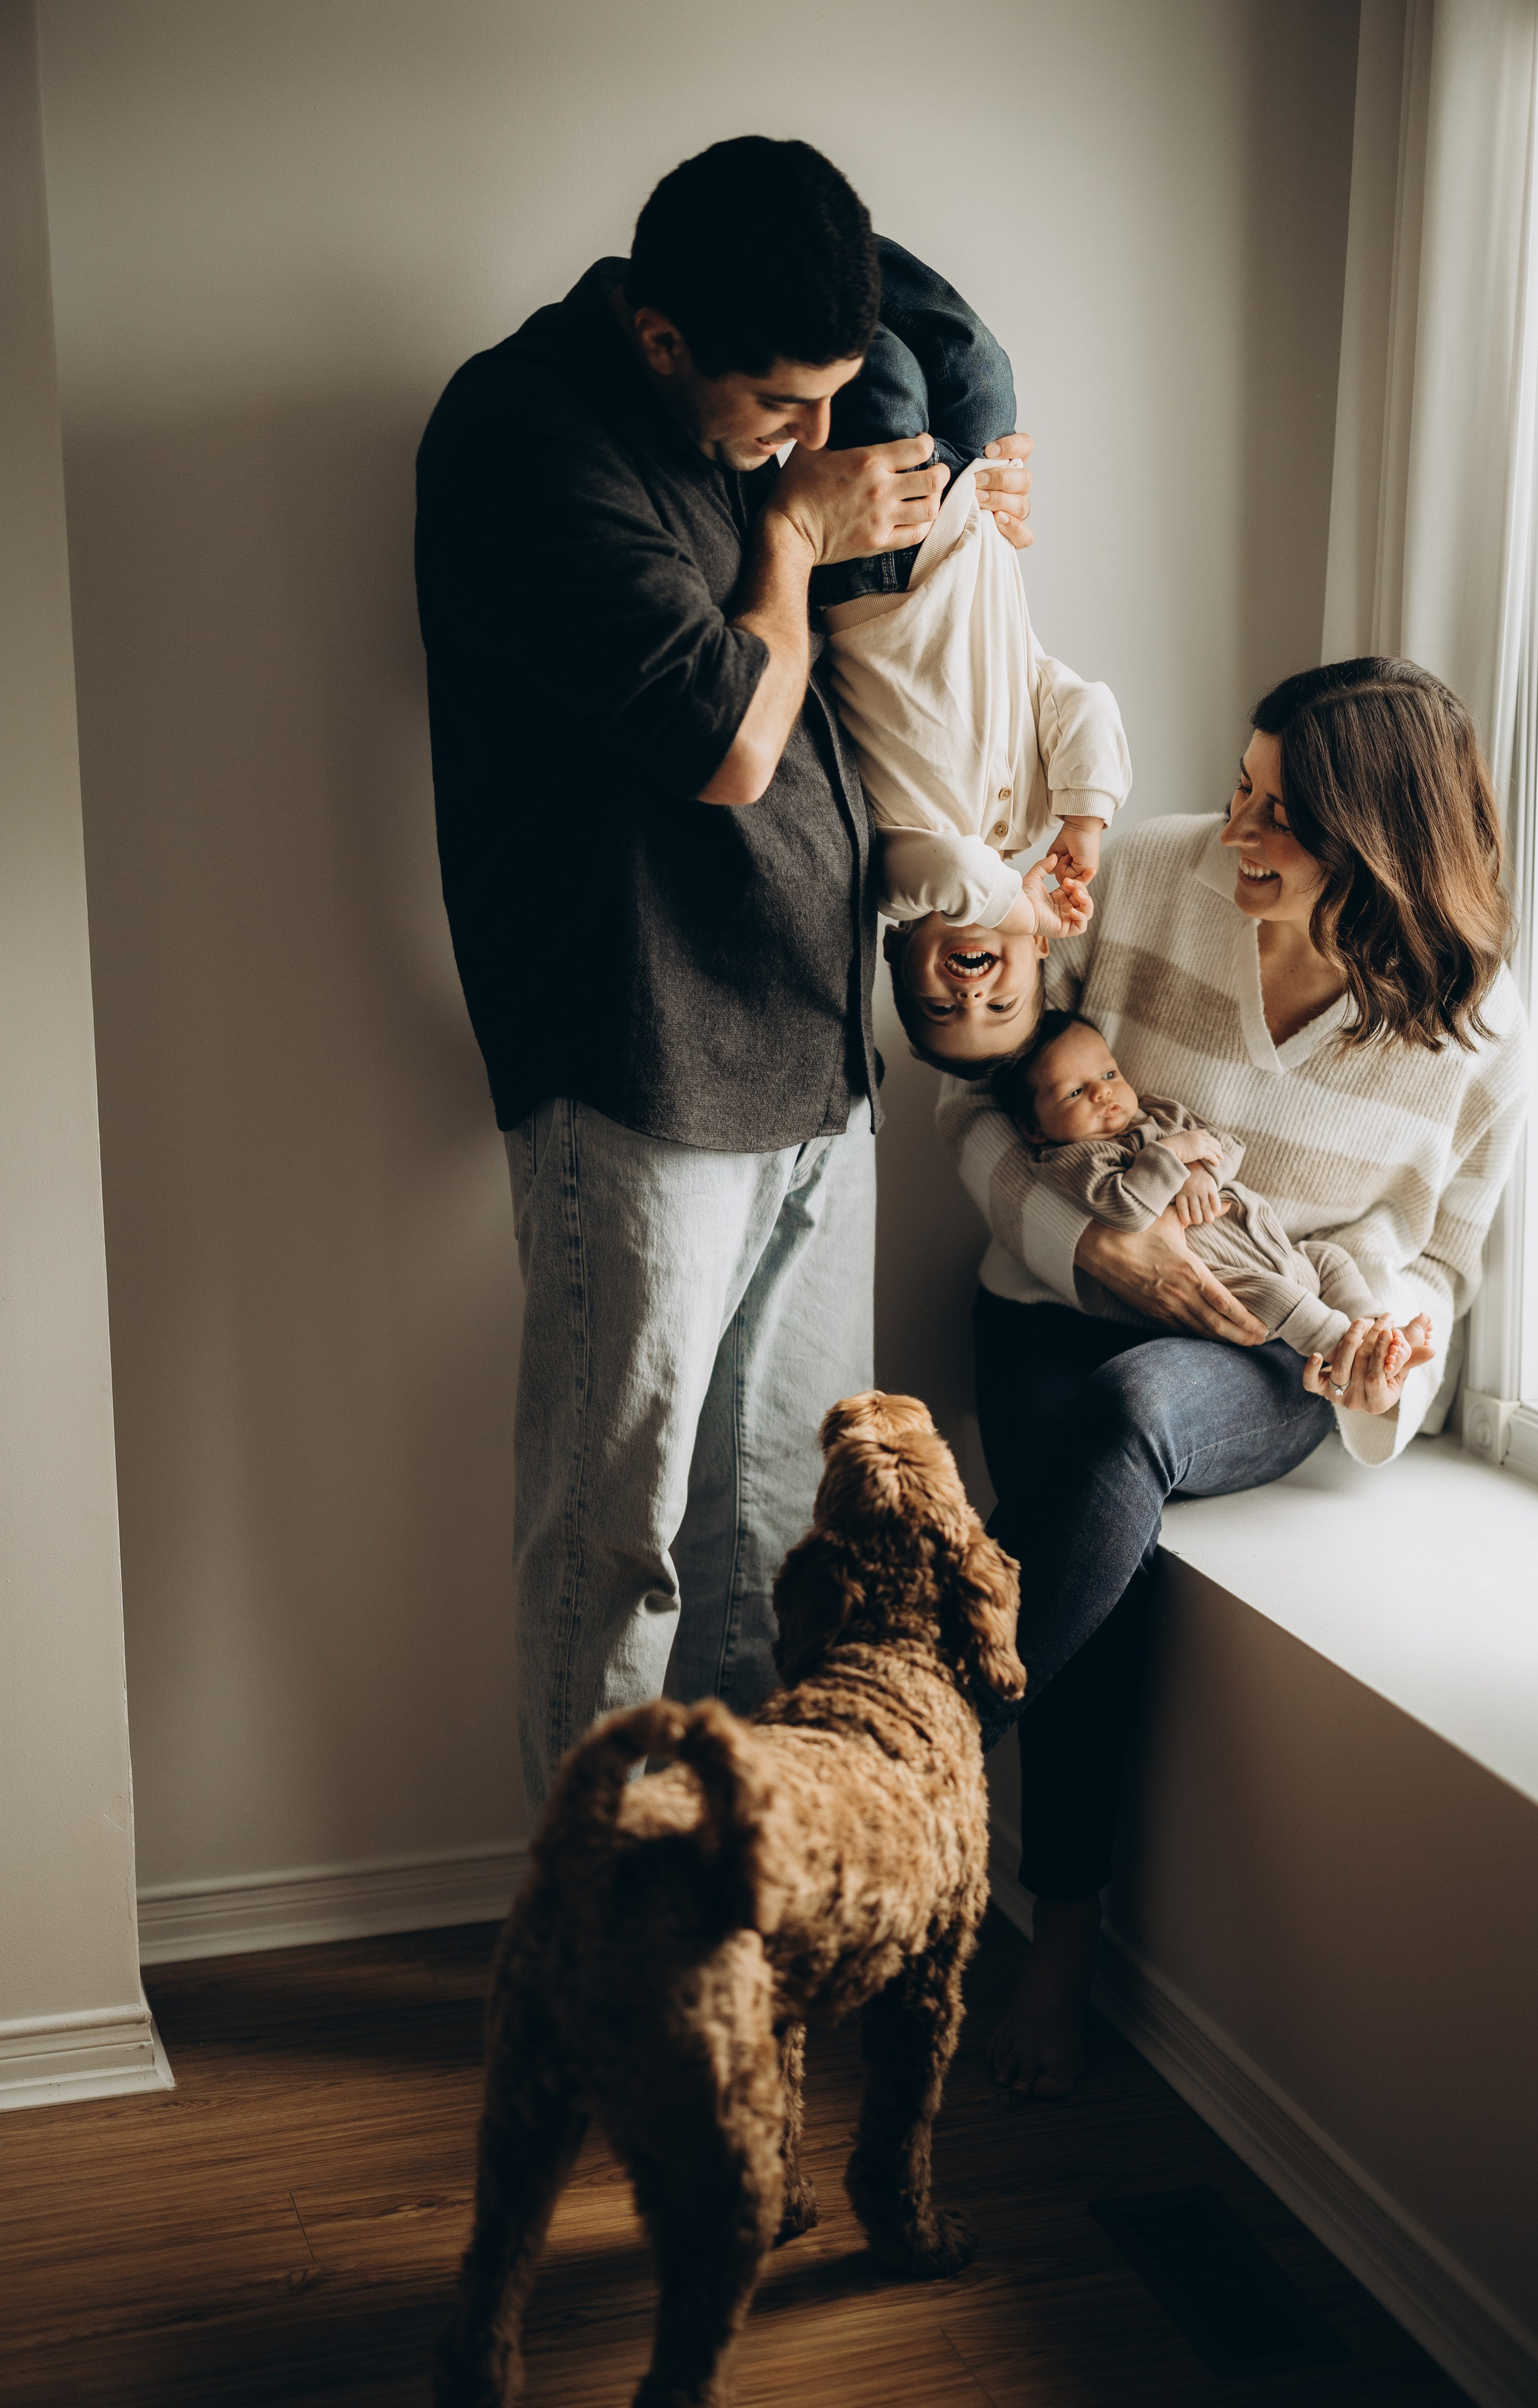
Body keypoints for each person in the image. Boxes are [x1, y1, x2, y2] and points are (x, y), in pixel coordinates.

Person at [413, 136, 1034, 1817]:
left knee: (778, 1534)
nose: (811, 435)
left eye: (830, 399)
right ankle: (598, 1913)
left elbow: (928, 343)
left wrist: (971, 478)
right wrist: (791, 538)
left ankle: (739, 1892)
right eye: (782, 403)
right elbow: (729, 747)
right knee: (616, 1545)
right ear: (661, 335)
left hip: (814, 1055)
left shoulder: (752, 417)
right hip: (641, 1058)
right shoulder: (528, 433)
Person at [936, 657, 1527, 2098]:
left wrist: (1388, 1344)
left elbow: (1439, 1264)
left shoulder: (1477, 1032)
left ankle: (901, 1758)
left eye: (1280, 815)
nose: (1235, 832)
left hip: (1271, 1351)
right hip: (1052, 1303)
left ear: (1378, 840)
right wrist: (1092, 1250)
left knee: (1130, 1418)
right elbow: (971, 1099)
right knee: (1096, 1518)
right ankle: (1053, 1930)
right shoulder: (1144, 874)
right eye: (1241, 789)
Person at [816, 243, 1132, 1069]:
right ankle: (833, 239)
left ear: (897, 954)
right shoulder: (1033, 815)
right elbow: (1078, 700)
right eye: (1001, 1004)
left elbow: (957, 871)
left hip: (878, 574)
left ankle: (788, 259)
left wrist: (1015, 907)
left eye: (939, 1008)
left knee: (883, 376)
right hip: (973, 517)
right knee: (974, 361)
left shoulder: (890, 879)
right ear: (1039, 954)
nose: (969, 995)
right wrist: (1083, 819)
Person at [990, 1011, 1436, 1376]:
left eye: (1109, 1073)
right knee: (1284, 1298)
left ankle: (1377, 1329)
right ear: (1034, 1128)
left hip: (1275, 1247)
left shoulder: (1159, 1113)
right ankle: (1357, 1356)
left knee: (1329, 1259)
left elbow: (1227, 1146)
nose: (1103, 1092)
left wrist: (1202, 1169)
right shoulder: (1073, 1160)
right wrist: (1173, 1155)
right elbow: (1125, 1209)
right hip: (1223, 1282)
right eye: (1074, 1092)